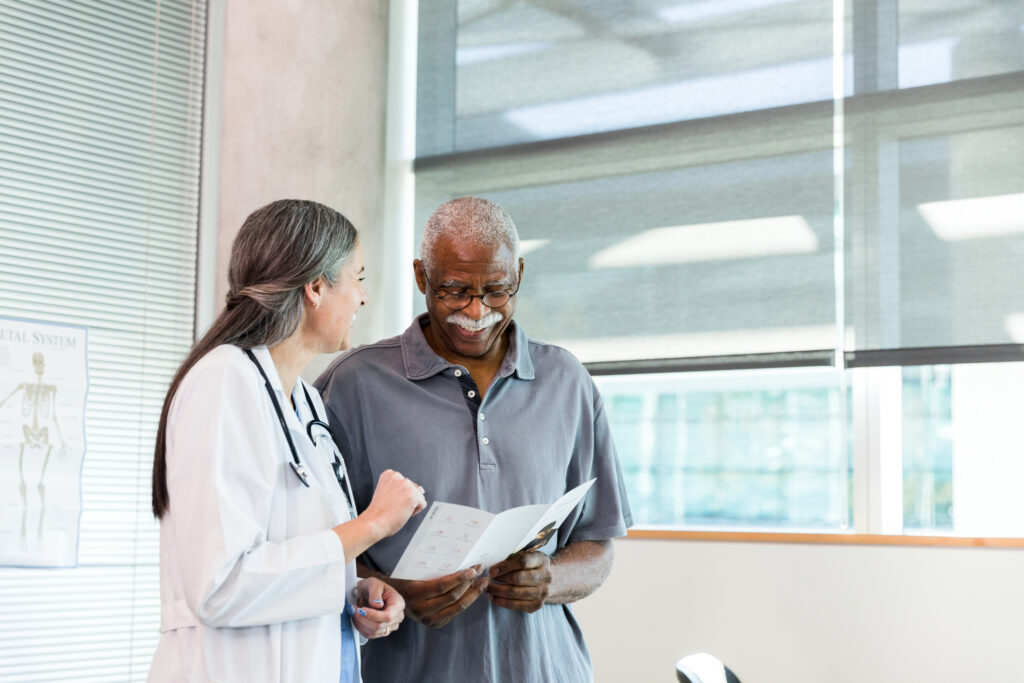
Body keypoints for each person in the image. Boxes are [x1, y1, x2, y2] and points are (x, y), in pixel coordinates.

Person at [315, 196, 632, 682]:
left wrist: (550, 580)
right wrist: (389, 588)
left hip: (548, 670)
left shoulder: (567, 381)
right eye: (455, 291)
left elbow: (597, 546)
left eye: (497, 291)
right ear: (421, 277)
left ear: (519, 275)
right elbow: (308, 550)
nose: (476, 311)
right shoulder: (353, 384)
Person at [148, 199, 427, 682]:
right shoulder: (223, 382)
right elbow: (220, 586)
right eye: (357, 277)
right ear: (316, 287)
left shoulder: (305, 404)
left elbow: (290, 564)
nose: (363, 298)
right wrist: (375, 523)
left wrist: (354, 596)